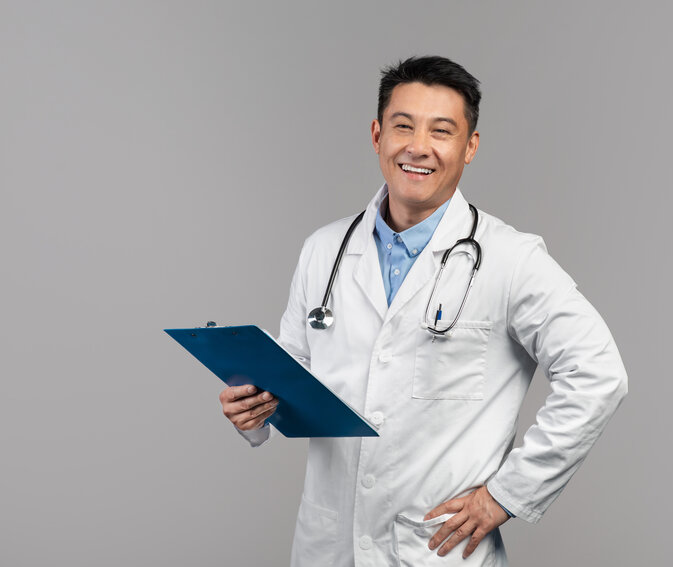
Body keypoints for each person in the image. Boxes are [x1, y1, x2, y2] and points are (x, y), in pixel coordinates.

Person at [219, 55, 627, 567]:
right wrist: (252, 410)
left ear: (470, 146)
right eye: (403, 126)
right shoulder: (323, 250)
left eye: (442, 131)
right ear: (376, 134)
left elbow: (599, 375)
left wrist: (507, 495)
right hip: (328, 547)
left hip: (435, 550)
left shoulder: (510, 259)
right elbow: (293, 379)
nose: (418, 147)